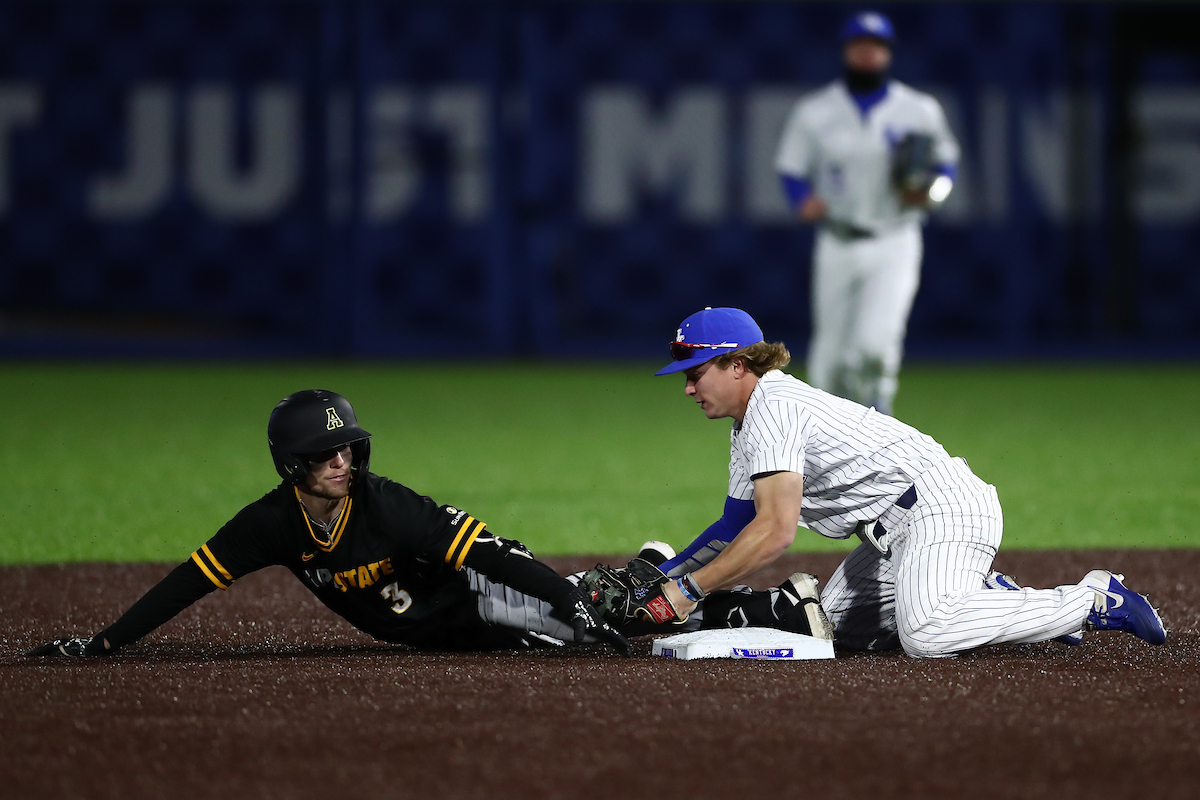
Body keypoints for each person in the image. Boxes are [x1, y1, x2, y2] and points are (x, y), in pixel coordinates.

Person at [645, 306, 1166, 657]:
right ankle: (979, 591)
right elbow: (733, 524)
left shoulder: (775, 409)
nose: (688, 388)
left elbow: (775, 532)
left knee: (926, 633)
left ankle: (1093, 600)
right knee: (832, 627)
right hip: (892, 535)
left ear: (737, 364)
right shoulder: (750, 422)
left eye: (696, 373)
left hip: (940, 506)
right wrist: (659, 576)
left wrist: (688, 589)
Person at [29, 389, 630, 658]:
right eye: (325, 452)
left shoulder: (386, 503)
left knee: (596, 622)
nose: (341, 461)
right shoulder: (272, 524)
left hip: (474, 598)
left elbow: (488, 554)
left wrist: (557, 593)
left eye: (346, 448)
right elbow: (189, 581)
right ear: (293, 463)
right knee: (577, 625)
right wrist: (106, 641)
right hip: (434, 634)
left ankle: (690, 598)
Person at [775, 10, 959, 415]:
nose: (868, 54)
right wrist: (801, 198)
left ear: (888, 54)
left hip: (895, 237)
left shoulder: (918, 109)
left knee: (876, 346)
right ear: (846, 51)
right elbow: (791, 167)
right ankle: (827, 440)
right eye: (860, 46)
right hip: (837, 238)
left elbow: (947, 166)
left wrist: (931, 195)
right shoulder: (817, 110)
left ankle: (880, 423)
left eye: (876, 47)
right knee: (831, 359)